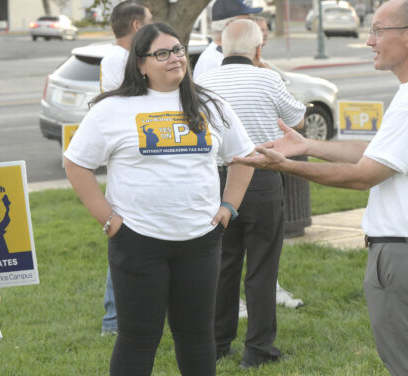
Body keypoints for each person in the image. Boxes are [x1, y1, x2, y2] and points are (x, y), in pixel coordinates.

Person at [234, 1, 408, 375]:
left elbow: (363, 175)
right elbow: (379, 152)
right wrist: (307, 146)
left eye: (377, 30)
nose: (370, 40)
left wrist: (287, 166)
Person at [64, 22, 255, 376]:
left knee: (198, 337)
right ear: (140, 63)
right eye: (162, 53)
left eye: (178, 50)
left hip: (200, 240)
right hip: (137, 240)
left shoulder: (211, 104)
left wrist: (228, 207)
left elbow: (243, 157)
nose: (174, 59)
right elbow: (76, 164)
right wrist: (110, 221)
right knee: (138, 339)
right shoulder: (113, 109)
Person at [197, 19, 305, 369]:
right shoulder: (267, 77)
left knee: (224, 263)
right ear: (259, 49)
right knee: (262, 265)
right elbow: (297, 119)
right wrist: (270, 71)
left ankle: (216, 341)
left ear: (222, 46)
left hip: (216, 180)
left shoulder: (202, 83)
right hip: (261, 175)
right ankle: (258, 349)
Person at [98, 0, 152, 337]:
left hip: (139, 159)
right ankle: (113, 321)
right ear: (135, 25)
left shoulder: (121, 58)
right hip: (129, 161)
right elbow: (131, 100)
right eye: (149, 21)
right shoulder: (119, 59)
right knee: (125, 243)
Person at [193, 0, 262, 80]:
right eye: (248, 20)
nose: (254, 24)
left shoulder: (225, 53)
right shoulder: (212, 60)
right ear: (230, 26)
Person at [100, 0, 152, 93]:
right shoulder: (117, 59)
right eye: (149, 21)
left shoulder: (126, 56)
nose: (153, 27)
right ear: (137, 25)